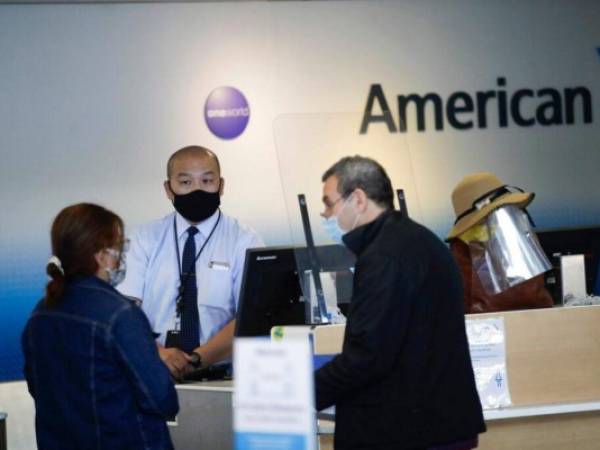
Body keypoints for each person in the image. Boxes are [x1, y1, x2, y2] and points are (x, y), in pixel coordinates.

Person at [315, 156, 485, 450]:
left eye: (329, 203)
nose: (325, 214)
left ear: (357, 199)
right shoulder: (415, 240)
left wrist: (300, 393)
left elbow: (368, 355)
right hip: (433, 423)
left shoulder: (384, 256)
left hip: (412, 430)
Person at [22, 203, 178, 450]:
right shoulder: (121, 315)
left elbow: (39, 389)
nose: (122, 255)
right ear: (101, 254)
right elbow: (162, 399)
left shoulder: (40, 314)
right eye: (119, 247)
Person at [118, 145, 263, 379]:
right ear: (168, 189)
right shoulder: (145, 238)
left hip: (221, 376)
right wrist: (159, 355)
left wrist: (196, 360)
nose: (197, 190)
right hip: (153, 372)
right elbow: (125, 311)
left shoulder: (245, 240)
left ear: (221, 185)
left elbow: (249, 317)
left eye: (207, 181)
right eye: (185, 183)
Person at [446, 172, 553, 313]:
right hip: (533, 320)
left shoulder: (460, 245)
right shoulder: (513, 223)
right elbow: (530, 294)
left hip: (489, 327)